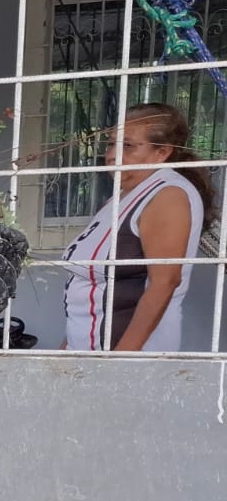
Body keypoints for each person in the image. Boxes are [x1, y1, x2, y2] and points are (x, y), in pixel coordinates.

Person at [62, 103, 211, 352]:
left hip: (125, 356)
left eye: (128, 146)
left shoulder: (167, 195)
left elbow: (165, 282)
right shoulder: (120, 198)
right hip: (88, 352)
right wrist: (66, 347)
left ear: (162, 152)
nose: (112, 155)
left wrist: (121, 360)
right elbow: (88, 288)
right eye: (111, 144)